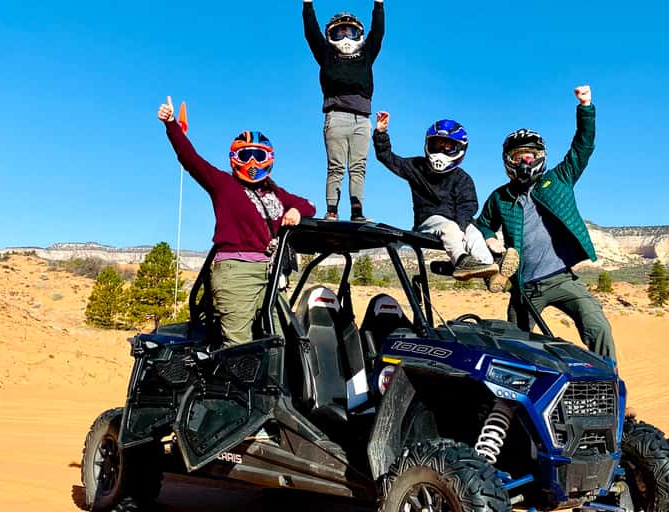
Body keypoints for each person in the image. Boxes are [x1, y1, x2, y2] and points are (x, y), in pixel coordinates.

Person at [158, 97, 315, 347]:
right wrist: (171, 125)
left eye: (258, 155)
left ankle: (274, 386)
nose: (252, 162)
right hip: (236, 271)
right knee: (239, 345)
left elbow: (309, 206)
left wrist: (295, 211)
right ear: (234, 158)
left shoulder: (275, 193)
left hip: (271, 274)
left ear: (269, 158)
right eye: (246, 155)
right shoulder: (224, 185)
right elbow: (190, 159)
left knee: (280, 340)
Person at [473, 85, 616, 359]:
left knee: (597, 326)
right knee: (515, 347)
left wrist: (585, 107)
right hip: (524, 286)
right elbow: (483, 225)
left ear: (540, 157)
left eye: (530, 155)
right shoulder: (500, 197)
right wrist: (493, 244)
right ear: (508, 160)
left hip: (562, 279)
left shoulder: (558, 180)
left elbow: (582, 147)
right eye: (519, 156)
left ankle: (609, 385)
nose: (525, 161)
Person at [373, 111, 517, 281]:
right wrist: (381, 133)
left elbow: (468, 205)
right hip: (427, 222)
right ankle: (462, 262)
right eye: (437, 144)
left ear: (459, 149)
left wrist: (464, 226)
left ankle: (489, 266)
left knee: (474, 233)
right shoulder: (417, 166)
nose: (442, 151)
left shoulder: (463, 179)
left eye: (448, 146)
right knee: (450, 228)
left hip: (457, 222)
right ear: (428, 144)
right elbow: (388, 158)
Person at [302, 0, 385, 222]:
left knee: (359, 166)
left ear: (359, 33)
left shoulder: (366, 54)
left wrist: (378, 5)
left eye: (350, 31)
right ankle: (332, 210)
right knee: (336, 166)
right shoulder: (327, 55)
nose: (345, 37)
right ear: (331, 35)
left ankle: (357, 211)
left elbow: (378, 32)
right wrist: (308, 5)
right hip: (336, 116)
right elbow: (311, 33)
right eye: (339, 32)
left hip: (363, 119)